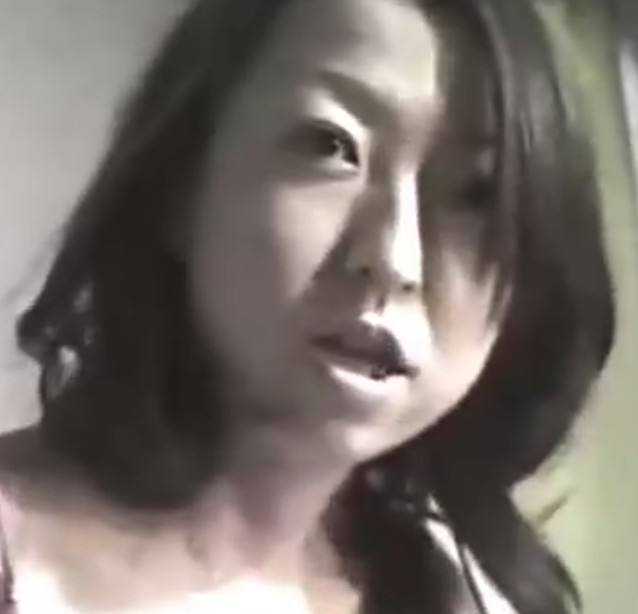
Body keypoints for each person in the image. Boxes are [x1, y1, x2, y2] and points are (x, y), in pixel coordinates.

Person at [0, 0, 615, 612]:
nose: (395, 262)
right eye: (330, 145)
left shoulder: (453, 587)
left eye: (477, 195)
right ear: (180, 183)